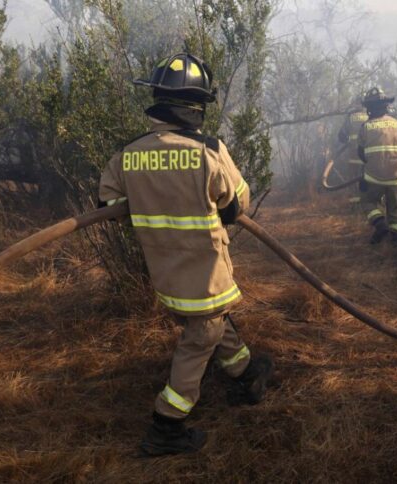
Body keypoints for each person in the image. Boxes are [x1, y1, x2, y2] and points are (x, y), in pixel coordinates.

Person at [97, 53, 274, 456]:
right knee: (202, 337)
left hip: (166, 278)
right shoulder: (208, 150)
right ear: (195, 107)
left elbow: (108, 201)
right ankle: (167, 425)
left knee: (210, 324)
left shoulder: (130, 153)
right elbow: (237, 204)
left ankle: (245, 375)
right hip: (206, 275)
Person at [357, 87, 397, 245]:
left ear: (370, 108)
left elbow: (361, 154)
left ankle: (379, 225)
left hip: (373, 177)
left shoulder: (365, 127)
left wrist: (366, 174)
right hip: (396, 176)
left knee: (367, 201)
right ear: (386, 106)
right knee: (395, 208)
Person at [336, 96, 370, 203]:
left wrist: (348, 141)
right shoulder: (371, 115)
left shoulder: (350, 116)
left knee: (353, 179)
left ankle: (355, 203)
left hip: (353, 155)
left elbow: (341, 135)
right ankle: (368, 200)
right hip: (368, 156)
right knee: (368, 178)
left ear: (356, 103)